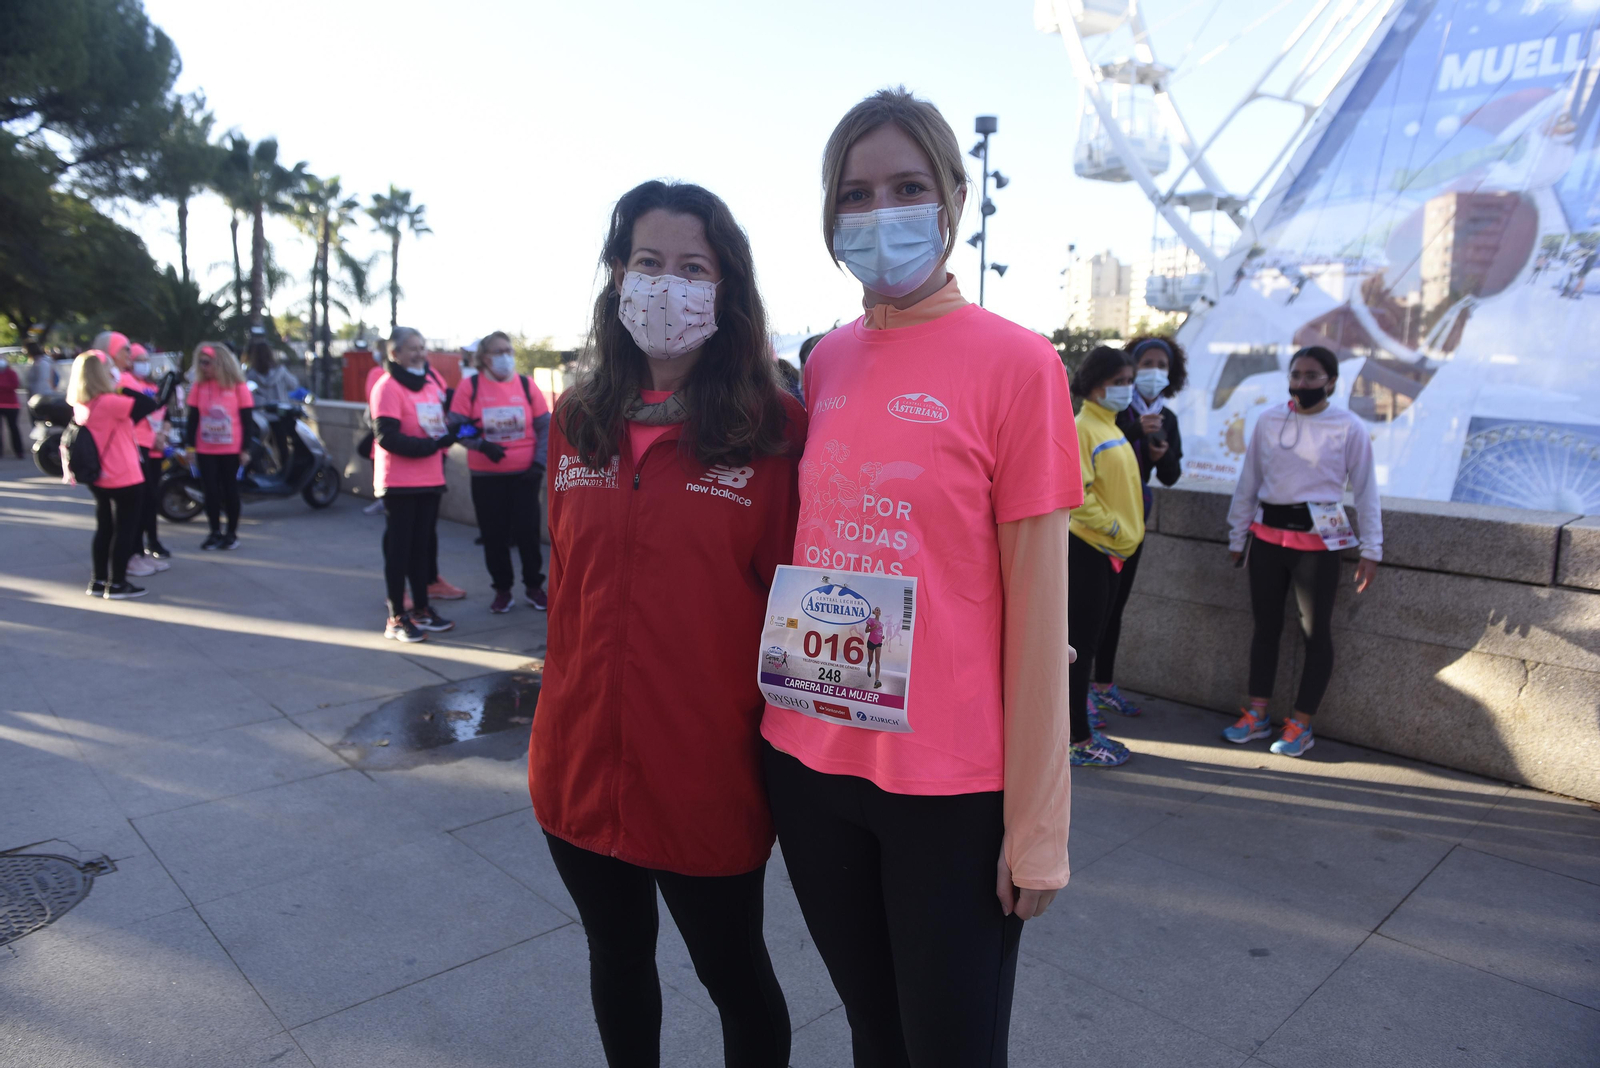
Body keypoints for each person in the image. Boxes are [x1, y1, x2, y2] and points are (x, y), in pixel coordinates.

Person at [760, 88, 1081, 1067]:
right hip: (809, 767)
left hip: (949, 793)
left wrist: (1036, 828)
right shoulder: (826, 363)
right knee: (874, 1033)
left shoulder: (1019, 367)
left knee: (951, 1049)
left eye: (905, 186)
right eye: (853, 194)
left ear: (951, 196)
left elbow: (1038, 618)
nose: (879, 212)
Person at [530, 179, 803, 1068]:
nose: (668, 285)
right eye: (649, 262)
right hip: (576, 765)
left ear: (725, 293)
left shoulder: (774, 429)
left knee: (736, 978)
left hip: (706, 773)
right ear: (617, 275)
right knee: (616, 960)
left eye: (694, 268)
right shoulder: (578, 423)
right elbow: (565, 582)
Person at [1224, 345, 1381, 757]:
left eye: (1312, 376)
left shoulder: (1348, 426)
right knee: (1265, 628)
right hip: (1268, 538)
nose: (1302, 383)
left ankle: (1301, 724)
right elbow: (1249, 481)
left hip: (1319, 544)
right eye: (1296, 375)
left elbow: (1366, 492)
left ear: (1331, 381)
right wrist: (1236, 537)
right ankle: (1257, 714)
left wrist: (1372, 549)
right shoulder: (1269, 419)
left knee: (1316, 634)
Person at [1089, 334, 1186, 723]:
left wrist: (1160, 452)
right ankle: (1079, 694)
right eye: (1146, 365)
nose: (1153, 374)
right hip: (1098, 526)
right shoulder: (1114, 412)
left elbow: (1172, 474)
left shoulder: (1169, 418)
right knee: (1090, 612)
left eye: (1162, 366)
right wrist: (1135, 434)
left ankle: (1103, 685)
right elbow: (1102, 452)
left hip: (1133, 525)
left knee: (1115, 609)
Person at [1064, 346, 1145, 768]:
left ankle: (1081, 733)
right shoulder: (1083, 428)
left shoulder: (1109, 425)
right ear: (1096, 386)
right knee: (1081, 647)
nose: (1128, 389)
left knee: (1089, 644)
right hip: (1091, 549)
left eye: (1128, 381)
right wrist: (1114, 527)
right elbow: (1076, 494)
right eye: (1120, 382)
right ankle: (1077, 739)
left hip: (1112, 551)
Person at [449, 331, 550, 613]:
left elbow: (545, 427)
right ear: (484, 358)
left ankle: (534, 586)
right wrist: (481, 445)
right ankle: (502, 590)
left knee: (528, 534)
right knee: (494, 536)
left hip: (526, 474)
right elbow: (457, 427)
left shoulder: (526, 386)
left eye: (509, 350)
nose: (506, 356)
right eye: (499, 351)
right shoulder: (471, 387)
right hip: (487, 476)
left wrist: (539, 464)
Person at [372, 326, 460, 643]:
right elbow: (387, 436)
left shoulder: (429, 384)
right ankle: (397, 617)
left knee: (421, 549)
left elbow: (440, 423)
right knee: (400, 551)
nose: (420, 353)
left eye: (422, 347)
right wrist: (431, 446)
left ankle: (422, 609)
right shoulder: (387, 387)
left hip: (430, 478)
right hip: (399, 482)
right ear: (394, 354)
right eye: (412, 348)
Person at [66, 351, 174, 599]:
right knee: (124, 531)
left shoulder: (81, 404)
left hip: (99, 477)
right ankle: (117, 583)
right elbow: (148, 404)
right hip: (124, 475)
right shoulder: (111, 402)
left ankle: (98, 580)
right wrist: (121, 386)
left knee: (104, 528)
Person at [183, 342, 254, 551]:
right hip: (205, 449)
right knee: (210, 492)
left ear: (220, 363)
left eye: (206, 363)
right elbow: (192, 419)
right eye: (200, 363)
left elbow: (247, 420)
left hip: (231, 449)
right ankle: (214, 532)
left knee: (230, 490)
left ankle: (231, 533)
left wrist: (245, 449)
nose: (202, 367)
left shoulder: (239, 387)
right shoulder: (199, 387)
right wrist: (190, 448)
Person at [117, 344, 174, 568]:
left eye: (145, 358)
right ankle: (135, 550)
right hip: (137, 447)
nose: (143, 363)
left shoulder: (151, 385)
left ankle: (151, 543)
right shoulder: (124, 383)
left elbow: (163, 412)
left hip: (156, 447)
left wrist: (164, 433)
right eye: (138, 358)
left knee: (151, 499)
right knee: (140, 500)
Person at [0, 351, 20, 459]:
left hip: (12, 405)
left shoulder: (11, 373)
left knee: (13, 428)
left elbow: (15, 385)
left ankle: (19, 451)